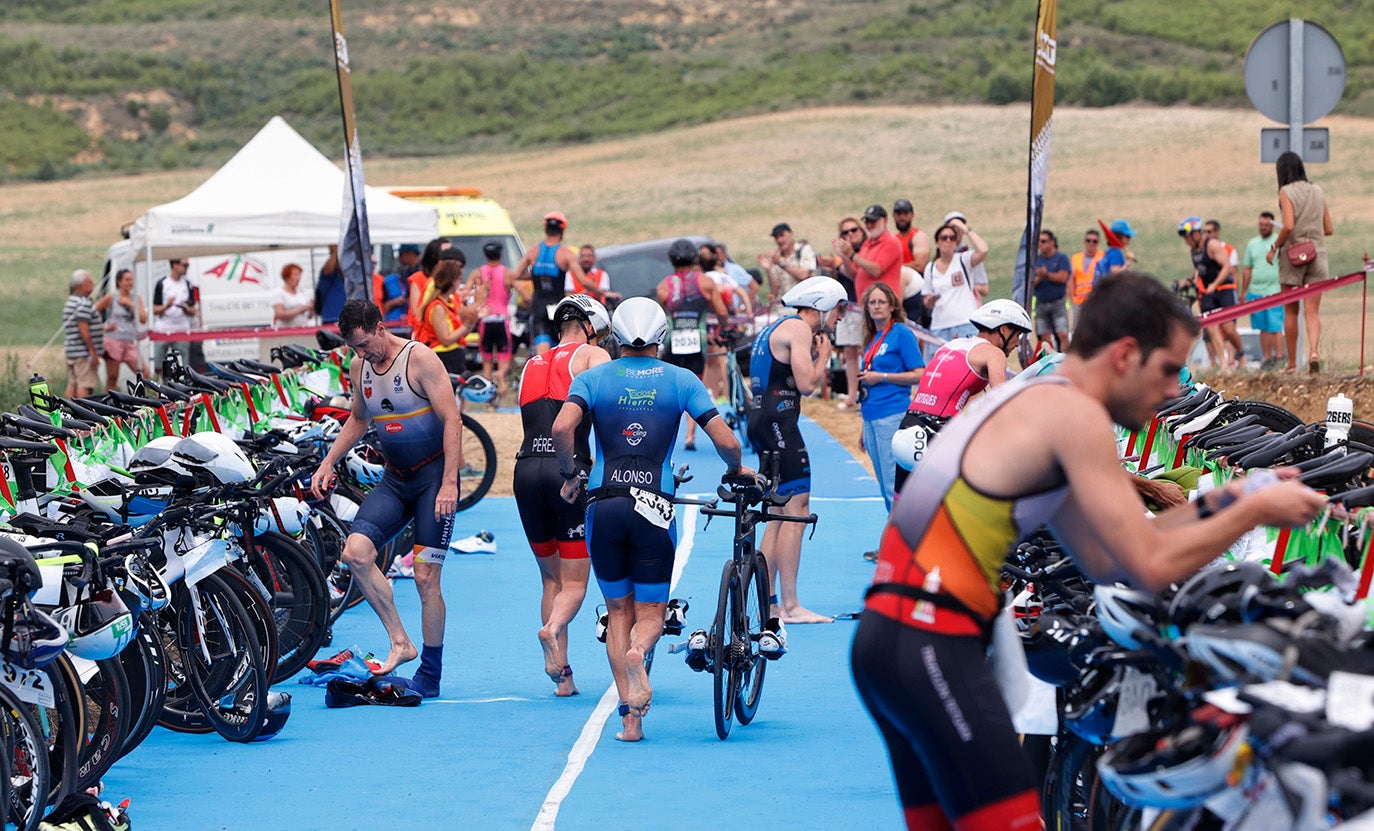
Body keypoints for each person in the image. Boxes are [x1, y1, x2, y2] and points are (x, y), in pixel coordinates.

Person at [852, 272, 1325, 831]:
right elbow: (1145, 564)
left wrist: (1226, 500)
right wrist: (1251, 512)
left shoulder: (1042, 397)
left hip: (891, 637)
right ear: (1126, 354)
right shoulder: (1075, 414)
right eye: (1170, 369)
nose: (1176, 390)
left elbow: (1104, 559)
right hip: (931, 638)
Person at [552, 297, 749, 741]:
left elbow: (562, 429)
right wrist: (737, 470)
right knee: (651, 611)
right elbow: (728, 443)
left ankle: (630, 719)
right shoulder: (682, 380)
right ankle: (640, 652)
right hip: (653, 505)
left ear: (616, 337)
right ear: (661, 338)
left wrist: (572, 471)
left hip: (603, 502)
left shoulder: (593, 376)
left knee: (618, 609)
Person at [310, 299, 465, 697]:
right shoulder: (359, 365)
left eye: (365, 344)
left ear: (380, 327)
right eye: (354, 348)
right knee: (355, 553)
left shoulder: (421, 360)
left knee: (426, 578)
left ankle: (430, 673)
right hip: (397, 480)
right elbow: (359, 419)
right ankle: (400, 641)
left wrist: (450, 483)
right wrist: (329, 461)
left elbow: (452, 418)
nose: (362, 353)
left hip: (433, 480)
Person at [514, 294, 612, 698]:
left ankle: (563, 678)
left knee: (551, 578)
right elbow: (610, 417)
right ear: (590, 327)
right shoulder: (592, 357)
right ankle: (551, 630)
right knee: (575, 583)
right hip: (566, 472)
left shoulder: (530, 364)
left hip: (525, 472)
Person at [748, 276, 847, 625]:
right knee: (795, 509)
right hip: (780, 424)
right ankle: (790, 605)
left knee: (777, 514)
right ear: (822, 306)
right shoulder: (800, 329)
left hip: (761, 421)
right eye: (838, 310)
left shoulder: (775, 327)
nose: (838, 319)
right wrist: (825, 358)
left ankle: (769, 603)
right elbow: (806, 384)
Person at [889, 300, 1033, 503]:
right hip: (935, 433)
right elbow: (1002, 401)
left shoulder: (951, 346)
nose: (1017, 342)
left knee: (899, 513)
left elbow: (959, 399)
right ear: (1003, 329)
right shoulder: (994, 353)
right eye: (1017, 335)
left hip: (908, 428)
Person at [655, 239, 729, 450]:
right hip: (697, 340)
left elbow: (662, 316)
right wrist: (724, 328)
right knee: (694, 384)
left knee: (669, 388)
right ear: (694, 258)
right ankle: (689, 434)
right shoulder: (705, 282)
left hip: (673, 340)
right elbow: (722, 312)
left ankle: (662, 434)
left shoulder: (664, 285)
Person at [856, 282, 924, 510]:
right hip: (871, 416)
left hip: (892, 413)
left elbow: (919, 374)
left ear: (892, 306)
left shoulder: (901, 333)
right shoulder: (873, 337)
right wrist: (862, 427)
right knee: (884, 482)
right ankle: (892, 536)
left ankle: (897, 540)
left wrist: (883, 377)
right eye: (872, 302)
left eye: (881, 302)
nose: (876, 307)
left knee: (892, 483)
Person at [1266, 151, 1335, 373]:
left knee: (1291, 311)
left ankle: (1293, 363)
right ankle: (1314, 352)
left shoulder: (1285, 192)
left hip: (1292, 256)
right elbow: (1329, 229)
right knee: (1312, 311)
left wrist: (1274, 247)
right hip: (1317, 255)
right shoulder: (1318, 191)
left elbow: (1287, 225)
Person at [513, 211, 596, 354]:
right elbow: (583, 280)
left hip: (538, 306)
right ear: (562, 231)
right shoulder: (565, 253)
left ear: (545, 229)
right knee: (561, 349)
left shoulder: (534, 250)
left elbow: (516, 275)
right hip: (558, 307)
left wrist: (535, 276)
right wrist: (603, 291)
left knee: (543, 350)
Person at [1180, 216, 1244, 370]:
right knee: (1211, 327)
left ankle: (1241, 354)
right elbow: (1199, 269)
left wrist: (1215, 284)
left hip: (1224, 290)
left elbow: (1227, 267)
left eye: (1188, 237)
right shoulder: (1193, 250)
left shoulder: (1212, 245)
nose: (1186, 241)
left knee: (1228, 328)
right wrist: (1188, 281)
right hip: (1207, 293)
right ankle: (1223, 363)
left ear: (1196, 234)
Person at [921, 219, 989, 361]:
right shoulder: (930, 268)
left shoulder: (963, 260)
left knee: (969, 364)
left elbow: (983, 250)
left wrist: (965, 229)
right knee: (940, 366)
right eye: (943, 238)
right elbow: (926, 299)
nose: (948, 241)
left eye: (952, 238)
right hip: (940, 326)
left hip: (965, 322)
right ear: (937, 243)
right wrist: (930, 301)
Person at [414, 249, 478, 375]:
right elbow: (445, 339)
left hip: (453, 356)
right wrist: (467, 324)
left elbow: (458, 335)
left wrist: (471, 322)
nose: (461, 283)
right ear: (451, 282)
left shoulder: (446, 303)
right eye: (459, 279)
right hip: (445, 357)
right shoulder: (438, 307)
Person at [466, 241, 516, 402]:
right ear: (501, 255)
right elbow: (523, 291)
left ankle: (487, 400)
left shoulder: (477, 273)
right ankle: (501, 383)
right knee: (503, 359)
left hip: (485, 319)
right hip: (502, 319)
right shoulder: (507, 273)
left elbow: (466, 292)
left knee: (486, 361)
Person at [830, 217, 867, 410]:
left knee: (865, 351)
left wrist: (845, 255)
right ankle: (852, 396)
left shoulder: (865, 252)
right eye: (845, 232)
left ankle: (864, 394)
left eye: (853, 230)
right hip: (847, 308)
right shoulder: (846, 255)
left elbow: (855, 274)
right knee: (849, 353)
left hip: (863, 308)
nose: (850, 235)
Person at [1240, 211, 1285, 368]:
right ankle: (1267, 358)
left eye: (1266, 225)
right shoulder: (1252, 244)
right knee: (1262, 327)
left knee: (1275, 326)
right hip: (1256, 290)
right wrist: (1244, 291)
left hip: (1274, 289)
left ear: (1272, 225)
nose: (1263, 227)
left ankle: (1279, 357)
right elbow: (1247, 268)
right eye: (1261, 225)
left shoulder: (1278, 242)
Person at [835, 204, 904, 305]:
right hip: (865, 305)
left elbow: (876, 270)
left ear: (885, 220)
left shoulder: (891, 242)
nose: (869, 225)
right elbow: (855, 274)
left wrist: (852, 255)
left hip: (883, 305)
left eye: (873, 221)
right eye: (867, 221)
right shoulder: (867, 243)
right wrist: (845, 256)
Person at [99, 268, 148, 390]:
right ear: (119, 282)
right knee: (113, 377)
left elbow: (143, 318)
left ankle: (150, 400)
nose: (130, 283)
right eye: (127, 280)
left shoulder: (136, 298)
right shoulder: (112, 296)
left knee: (145, 373)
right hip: (114, 340)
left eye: (131, 280)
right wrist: (103, 327)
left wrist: (131, 304)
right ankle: (109, 405)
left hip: (130, 341)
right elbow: (95, 310)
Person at [151, 257, 199, 376]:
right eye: (185, 265)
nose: (187, 268)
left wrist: (186, 309)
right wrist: (167, 306)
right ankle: (161, 386)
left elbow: (194, 310)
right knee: (158, 365)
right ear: (174, 265)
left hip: (182, 329)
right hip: (163, 329)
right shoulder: (162, 283)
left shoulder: (188, 285)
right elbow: (155, 309)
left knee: (183, 365)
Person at [63, 270, 103, 398]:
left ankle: (67, 411)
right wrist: (92, 351)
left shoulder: (71, 301)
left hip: (72, 350)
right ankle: (81, 412)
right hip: (83, 353)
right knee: (85, 383)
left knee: (73, 383)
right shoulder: (83, 303)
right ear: (81, 285)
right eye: (90, 282)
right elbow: (83, 329)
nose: (93, 284)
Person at [756, 222, 817, 306]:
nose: (779, 240)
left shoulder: (804, 250)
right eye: (776, 237)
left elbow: (804, 274)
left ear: (791, 234)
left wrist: (781, 263)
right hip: (784, 307)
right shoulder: (776, 257)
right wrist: (769, 269)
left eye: (782, 235)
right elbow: (775, 290)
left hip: (805, 305)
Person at [1032, 229, 1072, 351]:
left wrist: (1047, 274)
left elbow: (1063, 277)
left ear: (1052, 242)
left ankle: (1064, 359)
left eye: (1043, 241)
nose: (1040, 244)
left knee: (1063, 333)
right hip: (1041, 303)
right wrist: (1039, 276)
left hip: (1058, 302)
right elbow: (1031, 283)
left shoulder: (1061, 258)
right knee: (1044, 337)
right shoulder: (1036, 259)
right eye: (1039, 241)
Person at [408, 238, 449, 333]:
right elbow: (416, 312)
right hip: (424, 333)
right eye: (446, 253)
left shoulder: (450, 280)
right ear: (434, 256)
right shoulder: (418, 278)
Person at [1069, 228, 1106, 326]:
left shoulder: (1102, 257)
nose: (1091, 243)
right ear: (1084, 242)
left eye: (1095, 241)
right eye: (1088, 240)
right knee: (1077, 328)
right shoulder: (1076, 258)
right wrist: (1072, 298)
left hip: (1095, 300)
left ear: (1098, 243)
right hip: (1078, 300)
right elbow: (1071, 279)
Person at [376, 244, 420, 322]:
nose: (399, 258)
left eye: (401, 255)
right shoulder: (400, 276)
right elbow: (383, 307)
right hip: (398, 322)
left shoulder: (422, 273)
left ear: (410, 254)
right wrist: (394, 302)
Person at [892, 198, 931, 271]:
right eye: (899, 214)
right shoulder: (894, 238)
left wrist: (893, 268)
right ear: (894, 216)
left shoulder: (918, 236)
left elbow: (920, 265)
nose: (902, 217)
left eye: (905, 213)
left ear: (912, 215)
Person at [271, 263, 315, 328]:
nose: (298, 278)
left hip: (302, 330)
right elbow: (280, 314)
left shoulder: (302, 293)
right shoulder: (279, 292)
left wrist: (311, 307)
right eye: (295, 275)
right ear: (287, 277)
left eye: (299, 275)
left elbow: (309, 316)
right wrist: (301, 308)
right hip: (286, 332)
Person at [315, 245, 348, 324]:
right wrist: (335, 251)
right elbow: (328, 269)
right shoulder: (327, 273)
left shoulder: (342, 274)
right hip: (331, 318)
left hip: (345, 318)